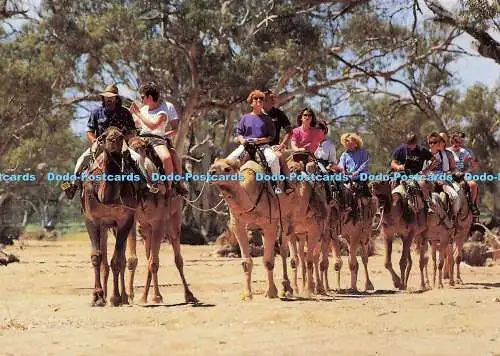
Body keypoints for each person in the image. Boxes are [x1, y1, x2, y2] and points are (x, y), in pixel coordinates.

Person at [62, 84, 138, 199]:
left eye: (111, 98)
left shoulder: (125, 113)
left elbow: (133, 131)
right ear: (103, 98)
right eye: (106, 97)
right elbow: (89, 131)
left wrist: (125, 138)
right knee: (81, 159)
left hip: (121, 145)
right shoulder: (96, 112)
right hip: (101, 144)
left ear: (116, 99)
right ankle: (74, 186)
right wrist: (94, 140)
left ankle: (145, 186)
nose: (108, 100)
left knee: (138, 159)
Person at [129, 82, 188, 195]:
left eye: (142, 97)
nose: (141, 99)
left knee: (168, 157)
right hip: (141, 139)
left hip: (157, 140)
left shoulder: (164, 109)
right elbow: (137, 124)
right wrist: (131, 114)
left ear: (150, 97)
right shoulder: (144, 109)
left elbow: (154, 126)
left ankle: (171, 185)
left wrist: (164, 135)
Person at [226, 89, 282, 194]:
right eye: (255, 99)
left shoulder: (267, 119)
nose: (258, 101)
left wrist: (259, 140)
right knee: (228, 160)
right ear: (251, 102)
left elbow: (271, 136)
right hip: (246, 145)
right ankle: (227, 186)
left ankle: (276, 184)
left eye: (261, 100)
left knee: (273, 159)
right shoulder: (244, 118)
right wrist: (242, 141)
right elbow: (238, 132)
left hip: (262, 146)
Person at [263, 89, 293, 193]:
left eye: (267, 99)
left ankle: (287, 183)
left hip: (274, 147)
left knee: (279, 157)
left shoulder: (279, 114)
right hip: (258, 146)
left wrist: (283, 144)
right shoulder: (256, 114)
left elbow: (289, 131)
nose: (264, 102)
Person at [448, 132, 480, 216]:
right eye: (454, 142)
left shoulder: (465, 151)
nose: (457, 144)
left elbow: (471, 166)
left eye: (459, 142)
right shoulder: (447, 151)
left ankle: (472, 205)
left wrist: (464, 171)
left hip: (462, 175)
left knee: (473, 184)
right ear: (451, 141)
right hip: (449, 175)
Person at [338, 132, 371, 197]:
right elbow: (341, 164)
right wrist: (342, 171)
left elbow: (364, 165)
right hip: (348, 177)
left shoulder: (363, 152)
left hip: (360, 176)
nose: (347, 144)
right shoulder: (344, 154)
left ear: (356, 143)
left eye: (350, 143)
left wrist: (357, 172)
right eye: (346, 143)